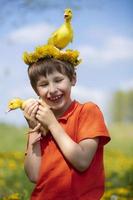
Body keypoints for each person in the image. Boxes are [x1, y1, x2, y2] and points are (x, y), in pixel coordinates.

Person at [23, 45, 110, 200]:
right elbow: (34, 175)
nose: (52, 89)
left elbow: (82, 161)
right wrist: (34, 129)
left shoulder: (87, 111)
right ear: (36, 90)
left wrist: (52, 124)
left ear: (73, 79)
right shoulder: (40, 121)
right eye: (43, 84)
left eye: (58, 80)